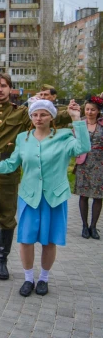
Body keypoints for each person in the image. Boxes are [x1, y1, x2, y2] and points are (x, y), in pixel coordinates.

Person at [0, 98, 87, 297]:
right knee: (26, 240)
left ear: (51, 117)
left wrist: (77, 119)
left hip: (54, 198)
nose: (38, 118)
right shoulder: (23, 138)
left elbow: (82, 148)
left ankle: (44, 279)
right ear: (31, 117)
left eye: (43, 114)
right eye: (35, 115)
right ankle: (28, 278)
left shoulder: (64, 137)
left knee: (49, 241)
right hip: (30, 196)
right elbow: (10, 165)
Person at [74, 95, 103, 240]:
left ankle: (93, 226)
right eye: (87, 109)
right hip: (84, 163)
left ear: (98, 111)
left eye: (93, 110)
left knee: (98, 196)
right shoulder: (80, 124)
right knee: (83, 195)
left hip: (100, 164)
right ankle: (84, 226)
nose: (90, 112)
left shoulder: (102, 125)